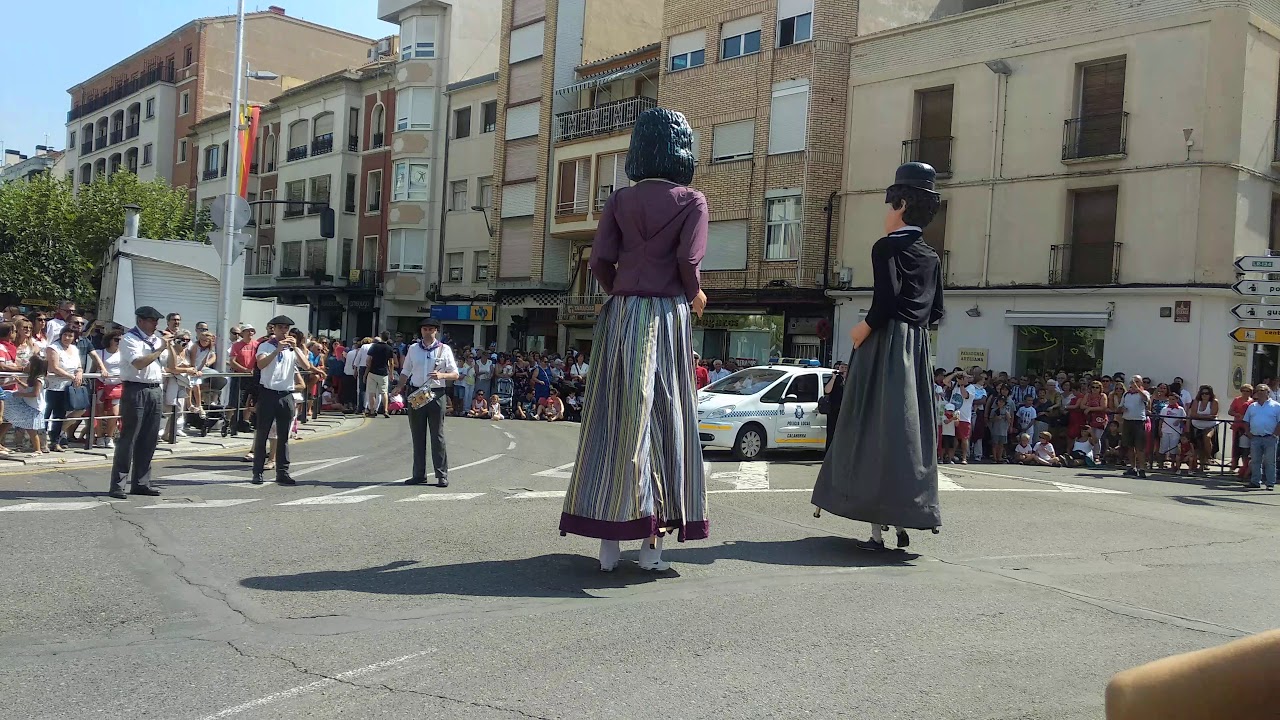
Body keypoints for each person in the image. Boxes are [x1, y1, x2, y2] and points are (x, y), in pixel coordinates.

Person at [560, 107, 710, 572]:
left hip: (622, 317)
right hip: (666, 317)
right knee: (666, 420)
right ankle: (652, 549)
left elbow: (599, 261)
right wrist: (695, 295)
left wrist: (621, 293)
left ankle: (608, 544)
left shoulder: (620, 201)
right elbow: (689, 262)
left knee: (616, 420)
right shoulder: (693, 201)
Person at [812, 161, 946, 551]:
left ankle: (874, 527)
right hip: (916, 350)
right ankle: (909, 513)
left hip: (885, 345)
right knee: (909, 434)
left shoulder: (886, 246)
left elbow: (885, 300)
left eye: (889, 205)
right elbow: (936, 310)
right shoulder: (931, 256)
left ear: (901, 205)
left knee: (868, 428)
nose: (886, 213)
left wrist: (862, 330)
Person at [108, 306, 176, 499]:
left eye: (156, 321)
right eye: (152, 321)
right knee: (129, 438)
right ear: (141, 321)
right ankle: (118, 485)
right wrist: (161, 347)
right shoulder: (130, 339)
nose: (156, 325)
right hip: (135, 389)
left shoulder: (155, 340)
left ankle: (141, 483)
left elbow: (171, 365)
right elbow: (138, 363)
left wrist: (169, 345)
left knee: (149, 438)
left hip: (155, 389)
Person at [393, 317, 459, 487]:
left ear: (436, 331)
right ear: (421, 331)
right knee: (417, 435)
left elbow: (455, 374)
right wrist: (399, 386)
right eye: (425, 329)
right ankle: (419, 474)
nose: (427, 332)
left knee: (437, 435)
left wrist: (442, 376)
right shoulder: (413, 348)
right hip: (417, 393)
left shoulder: (444, 349)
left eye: (431, 329)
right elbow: (406, 370)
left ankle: (441, 475)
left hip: (436, 394)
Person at [250, 316, 312, 486]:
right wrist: (277, 350)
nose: (284, 331)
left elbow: (306, 366)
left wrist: (297, 348)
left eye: (286, 328)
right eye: (281, 327)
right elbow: (261, 364)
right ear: (273, 329)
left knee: (284, 436)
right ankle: (257, 472)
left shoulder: (292, 349)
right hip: (268, 393)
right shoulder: (265, 345)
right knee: (262, 434)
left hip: (286, 394)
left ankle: (282, 472)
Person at [1242, 383, 1280, 490]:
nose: (1260, 392)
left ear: (1268, 392)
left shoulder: (1276, 406)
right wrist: (1248, 433)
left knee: (1270, 461)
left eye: (1263, 390)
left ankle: (1270, 483)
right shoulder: (1252, 406)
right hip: (1255, 437)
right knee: (1255, 460)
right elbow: (1246, 421)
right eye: (1258, 391)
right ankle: (1255, 481)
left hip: (1270, 437)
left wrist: (1275, 434)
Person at [1120, 375, 1151, 478]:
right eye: (1133, 381)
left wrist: (1138, 389)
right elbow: (1120, 406)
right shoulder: (1126, 394)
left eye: (1137, 381)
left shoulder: (1144, 392)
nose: (1134, 383)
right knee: (1129, 446)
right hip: (1128, 421)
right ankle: (1132, 467)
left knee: (1140, 447)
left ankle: (1142, 468)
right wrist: (1123, 408)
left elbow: (1146, 399)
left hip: (1139, 422)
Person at [364, 332, 393, 418]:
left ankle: (372, 410)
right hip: (383, 373)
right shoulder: (389, 348)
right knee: (384, 392)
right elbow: (391, 362)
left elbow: (368, 359)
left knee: (372, 393)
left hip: (373, 372)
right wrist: (391, 373)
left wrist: (367, 370)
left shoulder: (374, 346)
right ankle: (385, 410)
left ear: (381, 337)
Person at [823, 361, 846, 450]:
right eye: (842, 367)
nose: (843, 370)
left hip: (846, 411)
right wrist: (833, 378)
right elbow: (827, 390)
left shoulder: (851, 379)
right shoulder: (835, 379)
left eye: (845, 368)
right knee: (832, 432)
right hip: (834, 410)